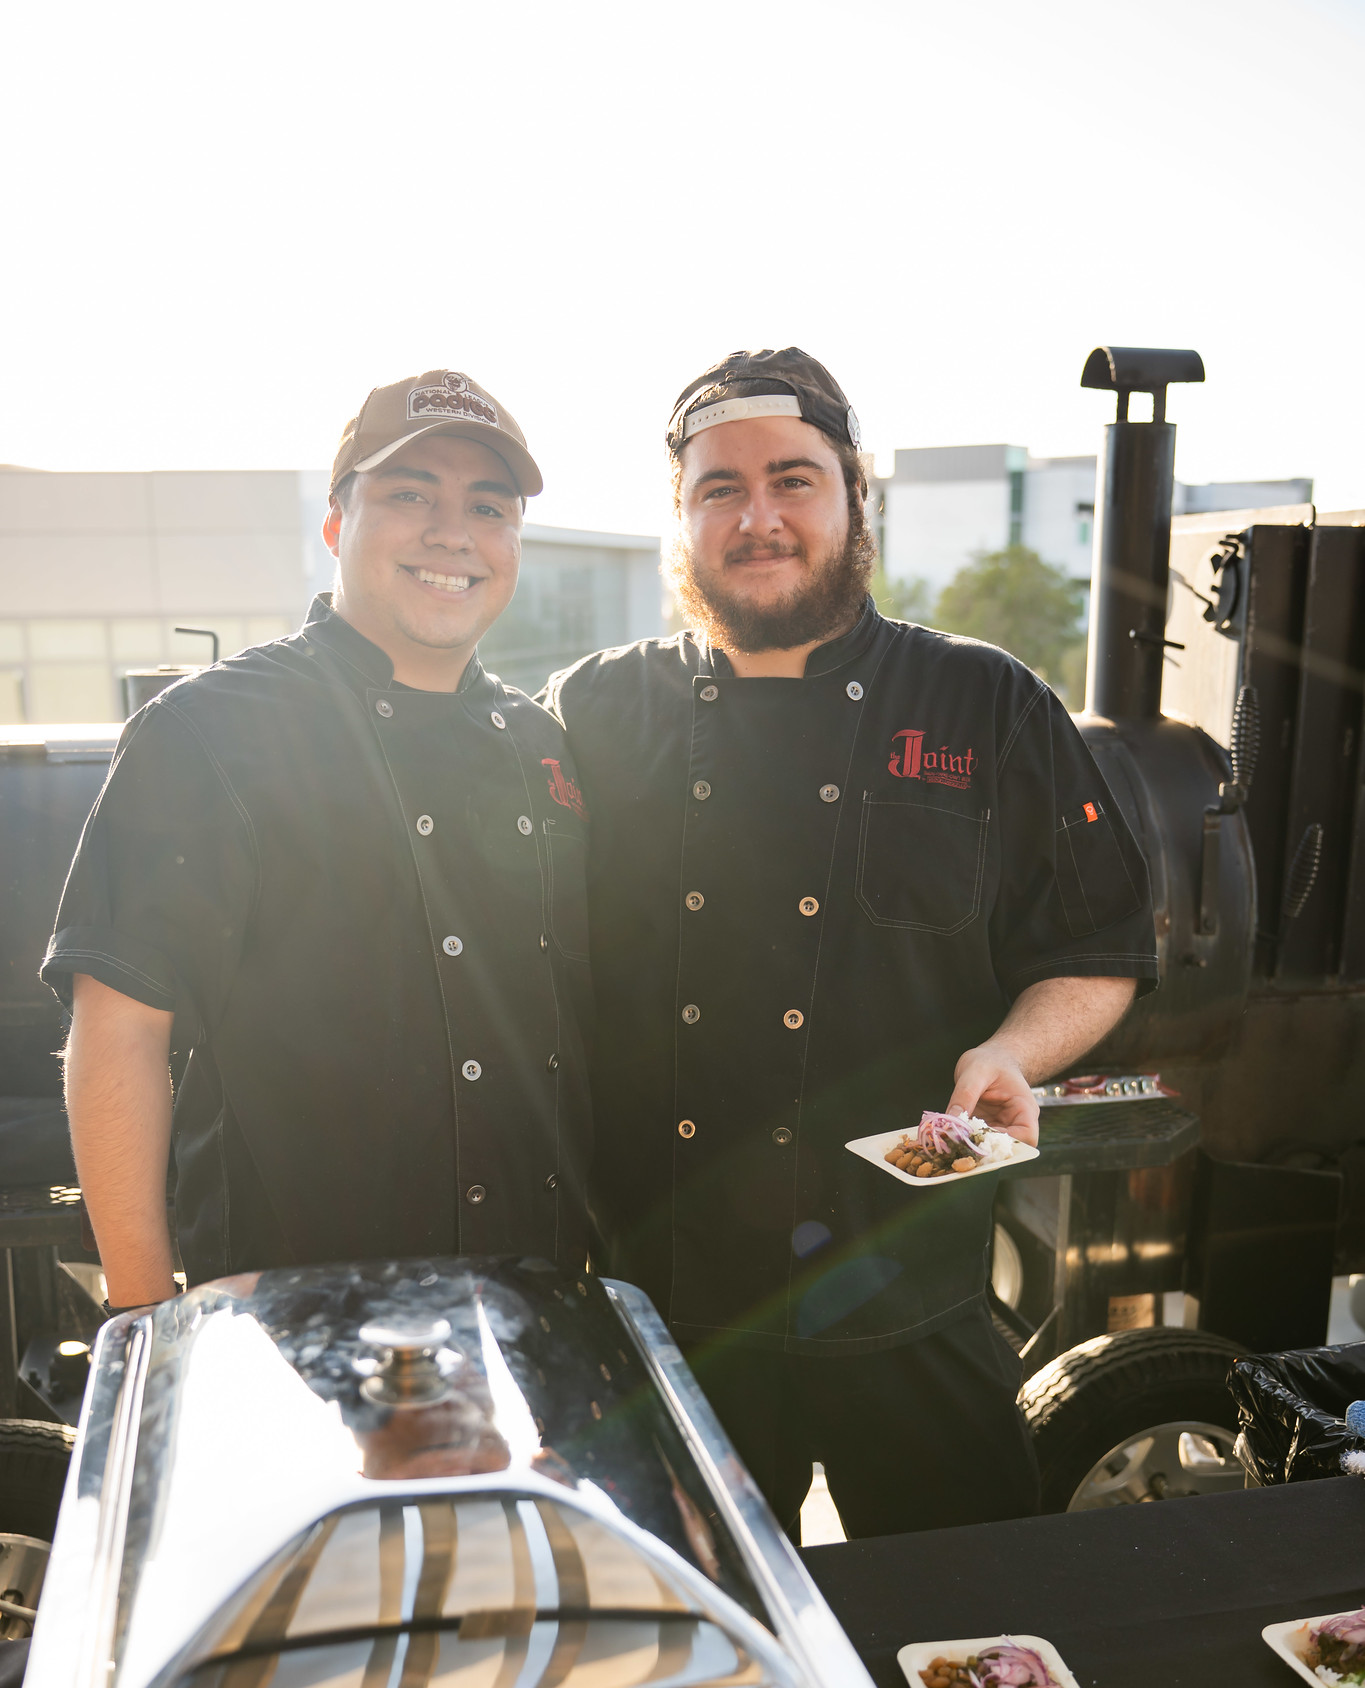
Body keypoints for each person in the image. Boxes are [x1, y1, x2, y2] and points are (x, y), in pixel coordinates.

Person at [544, 346, 1158, 1540]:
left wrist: (1014, 1052)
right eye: (719, 488)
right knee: (702, 1653)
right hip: (671, 1315)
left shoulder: (984, 699)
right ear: (681, 516)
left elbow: (1096, 945)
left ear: (855, 498)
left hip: (913, 1290)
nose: (758, 517)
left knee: (973, 1621)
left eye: (793, 479)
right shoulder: (593, 713)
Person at [43, 370, 592, 1310]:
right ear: (336, 524)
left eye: (486, 506)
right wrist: (143, 1318)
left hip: (529, 1305)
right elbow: (120, 1030)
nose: (451, 532)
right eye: (410, 493)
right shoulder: (209, 730)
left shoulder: (539, 745)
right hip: (286, 1321)